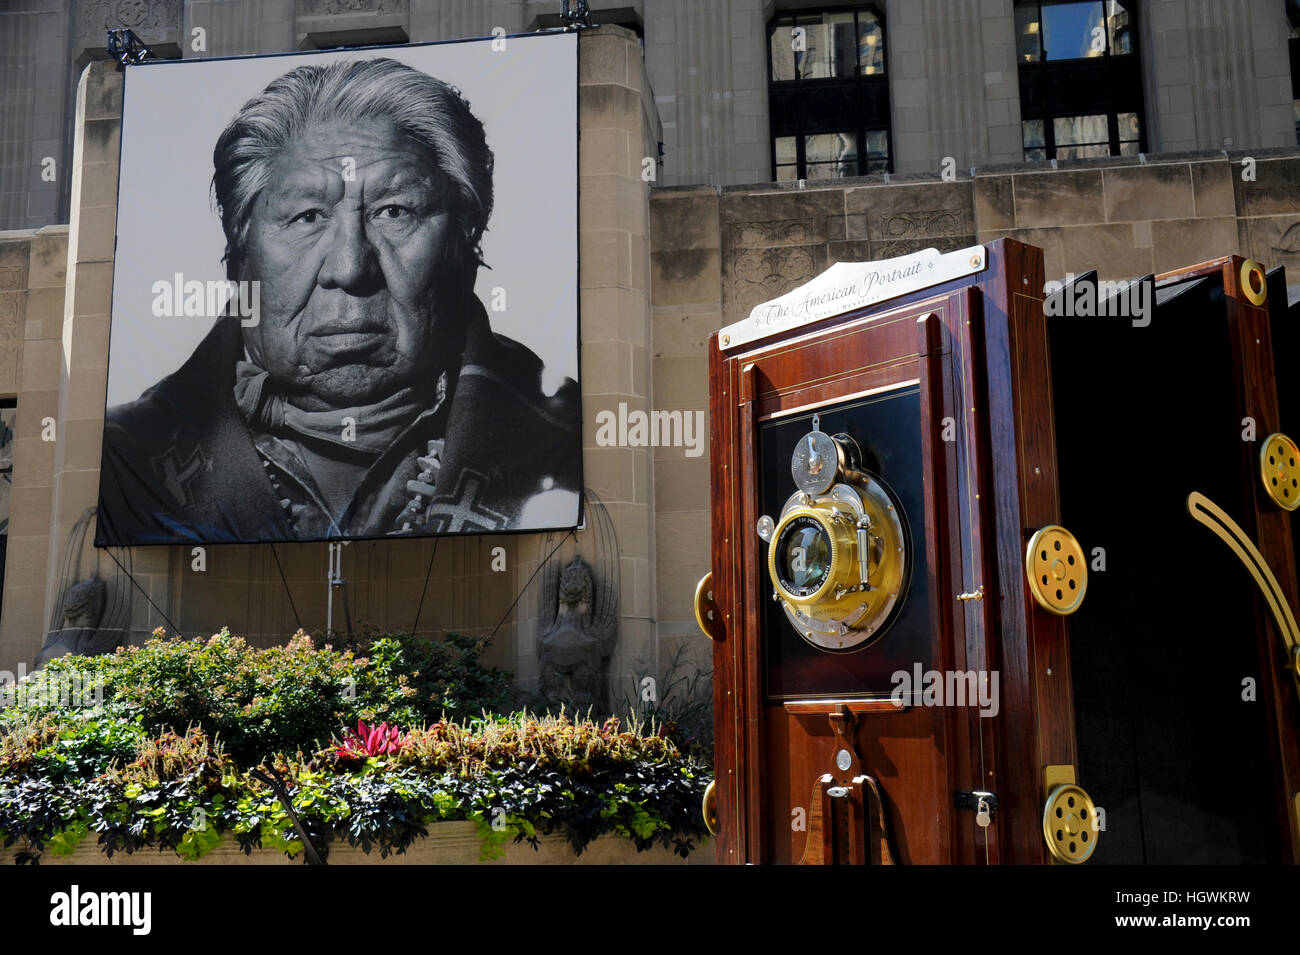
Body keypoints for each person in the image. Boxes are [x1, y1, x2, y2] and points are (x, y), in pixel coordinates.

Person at [97, 57, 581, 544]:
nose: (350, 269)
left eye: (395, 211)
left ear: (464, 247)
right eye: (307, 217)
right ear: (239, 257)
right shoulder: (127, 461)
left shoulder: (566, 438)